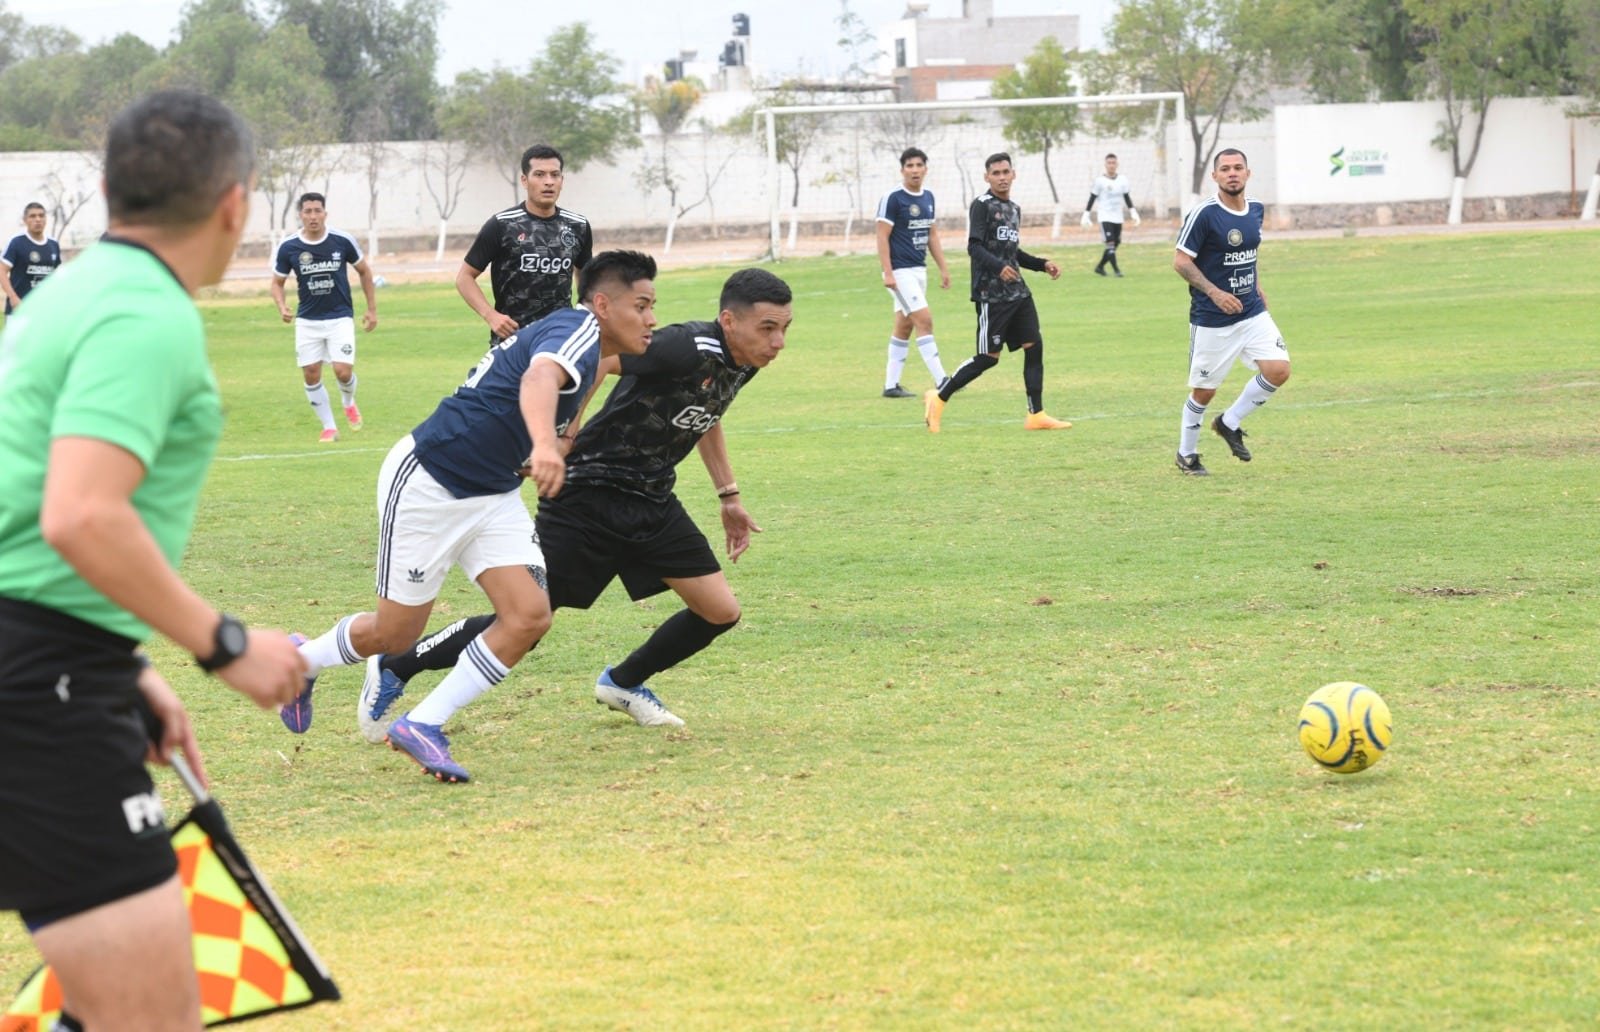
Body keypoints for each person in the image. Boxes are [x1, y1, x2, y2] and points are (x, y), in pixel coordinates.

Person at [0, 89, 308, 1032]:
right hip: (39, 682)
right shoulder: (146, 315)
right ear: (235, 204)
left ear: (105, 190)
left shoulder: (74, 298)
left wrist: (127, 662)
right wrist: (222, 645)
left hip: (48, 662)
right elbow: (80, 515)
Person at [356, 268, 794, 741]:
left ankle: (623, 683)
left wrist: (728, 495)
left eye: (785, 329)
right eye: (768, 328)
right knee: (529, 617)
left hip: (651, 497)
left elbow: (705, 412)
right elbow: (602, 361)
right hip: (589, 492)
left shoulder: (741, 361)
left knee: (719, 611)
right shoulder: (684, 346)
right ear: (729, 321)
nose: (778, 342)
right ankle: (398, 662)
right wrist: (564, 435)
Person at [287, 250, 659, 784]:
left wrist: (555, 438)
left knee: (529, 616)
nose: (650, 318)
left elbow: (579, 380)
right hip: (431, 479)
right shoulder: (578, 327)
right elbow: (537, 381)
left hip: (493, 493)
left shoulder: (592, 344)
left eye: (653, 306)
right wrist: (545, 445)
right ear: (602, 304)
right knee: (394, 635)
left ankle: (423, 723)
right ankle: (303, 662)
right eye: (641, 305)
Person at [924, 152, 1071, 434]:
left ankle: (1036, 414)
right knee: (987, 358)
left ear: (1013, 174)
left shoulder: (1014, 208)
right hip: (991, 295)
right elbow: (975, 247)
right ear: (987, 177)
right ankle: (939, 398)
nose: (1002, 177)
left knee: (1034, 346)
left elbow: (1011, 251)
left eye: (1006, 172)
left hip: (1018, 292)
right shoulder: (981, 206)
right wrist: (999, 267)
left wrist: (1041, 264)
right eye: (996, 173)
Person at [1171, 147, 1291, 476]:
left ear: (1248, 174)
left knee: (1279, 370)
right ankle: (1187, 454)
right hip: (1213, 318)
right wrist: (1214, 291)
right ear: (1215, 176)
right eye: (1225, 169)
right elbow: (1181, 261)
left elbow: (1249, 252)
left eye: (1238, 167)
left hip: (1251, 311)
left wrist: (1257, 284)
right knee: (1204, 391)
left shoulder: (1255, 210)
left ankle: (1229, 422)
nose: (1232, 173)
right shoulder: (1204, 214)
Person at [456, 144, 594, 343]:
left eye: (555, 175)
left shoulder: (577, 226)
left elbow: (586, 277)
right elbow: (464, 278)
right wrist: (491, 316)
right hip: (512, 339)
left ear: (562, 181)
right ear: (524, 180)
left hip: (559, 338)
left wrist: (583, 314)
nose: (548, 182)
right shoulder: (502, 224)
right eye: (539, 175)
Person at [270, 192, 378, 444]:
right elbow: (276, 283)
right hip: (307, 320)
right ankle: (329, 427)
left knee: (342, 372)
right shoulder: (289, 247)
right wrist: (281, 305)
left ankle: (348, 402)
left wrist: (371, 309)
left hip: (339, 317)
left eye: (317, 211)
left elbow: (364, 271)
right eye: (307, 211)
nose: (313, 216)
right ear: (300, 215)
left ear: (325, 213)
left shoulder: (342, 241)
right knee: (310, 373)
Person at [876, 146, 950, 398]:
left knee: (904, 326)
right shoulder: (893, 198)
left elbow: (932, 234)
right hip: (900, 272)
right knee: (924, 320)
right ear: (902, 170)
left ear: (926, 169)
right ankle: (943, 381)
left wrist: (943, 268)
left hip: (919, 271)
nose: (915, 170)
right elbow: (882, 237)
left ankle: (890, 385)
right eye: (910, 166)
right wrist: (888, 272)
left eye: (919, 165)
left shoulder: (928, 197)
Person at [1081, 153, 1140, 277]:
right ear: (1105, 165)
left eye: (1114, 163)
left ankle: (1100, 267)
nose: (1111, 165)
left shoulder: (1123, 180)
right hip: (1105, 217)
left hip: (1118, 217)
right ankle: (1117, 271)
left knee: (1115, 244)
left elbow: (1127, 197)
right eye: (1109, 163)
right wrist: (1086, 214)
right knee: (1110, 244)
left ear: (1117, 164)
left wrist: (1133, 213)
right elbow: (1092, 198)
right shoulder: (1099, 181)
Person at [1, 202, 62, 315]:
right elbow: (2, 270)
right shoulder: (16, 242)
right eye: (32, 216)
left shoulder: (53, 244)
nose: (38, 219)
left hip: (45, 310)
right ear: (25, 220)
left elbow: (55, 275)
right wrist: (13, 298)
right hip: (19, 310)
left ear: (46, 219)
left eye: (41, 215)